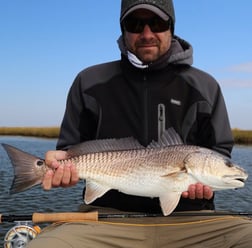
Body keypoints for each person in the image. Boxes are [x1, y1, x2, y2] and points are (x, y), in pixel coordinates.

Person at [27, 0, 252, 247]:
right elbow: (70, 147)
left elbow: (219, 150)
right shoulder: (89, 81)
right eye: (135, 24)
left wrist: (206, 185)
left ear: (171, 27)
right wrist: (60, 166)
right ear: (123, 30)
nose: (147, 33)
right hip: (104, 218)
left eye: (157, 23)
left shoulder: (205, 86)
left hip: (194, 219)